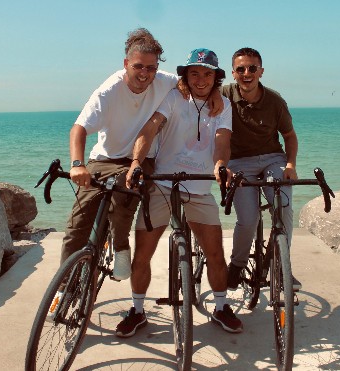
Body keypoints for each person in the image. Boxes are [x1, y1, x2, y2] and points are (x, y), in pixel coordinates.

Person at [51, 29, 223, 318]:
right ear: (125, 64)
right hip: (103, 158)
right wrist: (77, 164)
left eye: (151, 67)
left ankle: (120, 250)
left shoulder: (166, 81)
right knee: (76, 226)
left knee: (126, 189)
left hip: (142, 159)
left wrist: (217, 90)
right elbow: (78, 129)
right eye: (138, 66)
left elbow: (200, 83)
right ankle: (65, 286)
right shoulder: (108, 91)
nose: (145, 73)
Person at [115, 48, 243, 337]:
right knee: (142, 255)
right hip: (162, 185)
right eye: (194, 73)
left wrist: (221, 163)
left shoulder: (223, 105)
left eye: (207, 74)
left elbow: (223, 141)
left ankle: (221, 307)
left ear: (216, 77)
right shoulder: (174, 97)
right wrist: (136, 161)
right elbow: (149, 129)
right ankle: (137, 311)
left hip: (198, 188)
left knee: (215, 254)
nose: (200, 79)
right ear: (185, 75)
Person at [221, 47, 302, 291]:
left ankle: (281, 266)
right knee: (248, 218)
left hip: (271, 158)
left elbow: (289, 136)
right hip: (238, 162)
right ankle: (236, 265)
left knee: (283, 207)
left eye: (252, 68)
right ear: (233, 73)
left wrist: (290, 165)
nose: (247, 73)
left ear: (261, 71)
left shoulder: (275, 101)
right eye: (241, 69)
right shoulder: (222, 95)